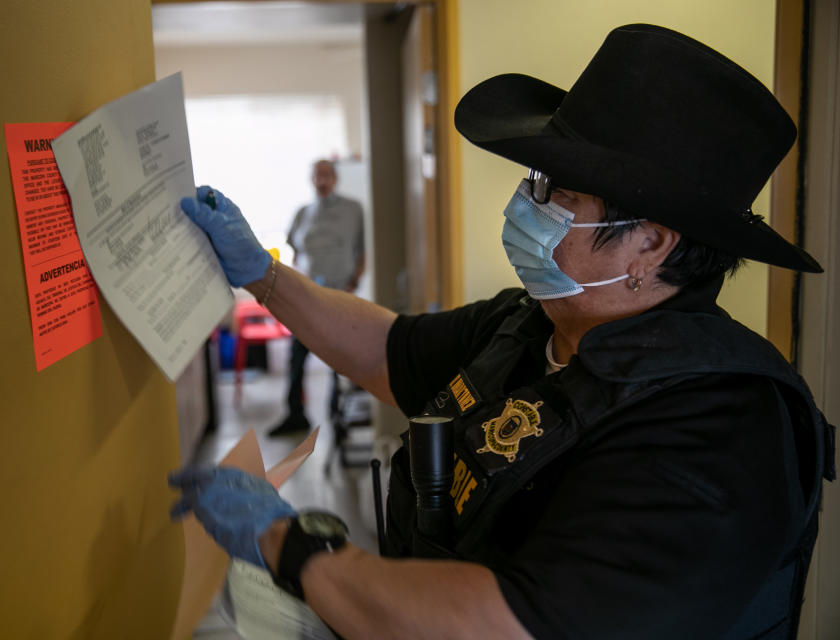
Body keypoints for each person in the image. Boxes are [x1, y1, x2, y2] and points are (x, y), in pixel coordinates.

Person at [172, 24, 835, 639]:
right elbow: (390, 350)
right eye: (536, 180)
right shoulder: (529, 324)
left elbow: (508, 626)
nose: (528, 203)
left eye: (560, 194)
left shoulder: (720, 427)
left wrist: (292, 548)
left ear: (650, 245)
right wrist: (264, 276)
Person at [269, 159, 366, 437]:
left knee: (339, 360)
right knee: (296, 358)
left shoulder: (353, 210)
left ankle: (339, 418)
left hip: (339, 298)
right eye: (317, 176)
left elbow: (362, 251)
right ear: (311, 180)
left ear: (335, 179)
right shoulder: (303, 213)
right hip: (306, 300)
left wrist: (353, 282)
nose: (322, 181)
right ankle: (295, 414)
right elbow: (294, 249)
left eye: (326, 175)